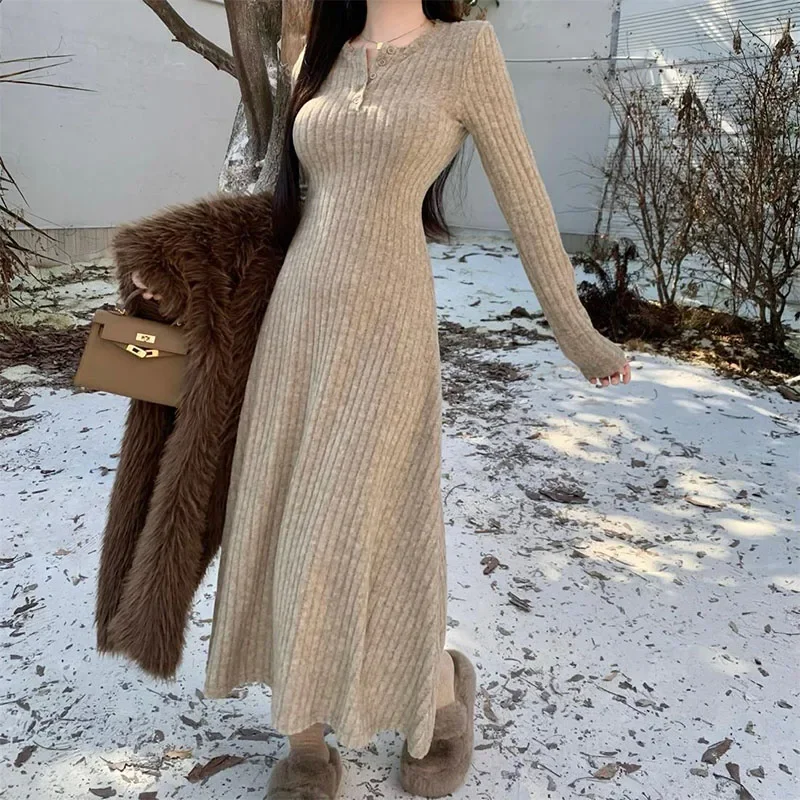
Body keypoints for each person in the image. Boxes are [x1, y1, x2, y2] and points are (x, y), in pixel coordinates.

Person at [133, 2, 631, 797]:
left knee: (372, 524)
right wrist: (176, 268)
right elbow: (274, 200)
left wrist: (580, 336)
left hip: (388, 327)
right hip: (295, 324)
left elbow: (527, 200)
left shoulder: (466, 49)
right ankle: (304, 740)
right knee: (282, 514)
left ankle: (439, 694)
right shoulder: (317, 53)